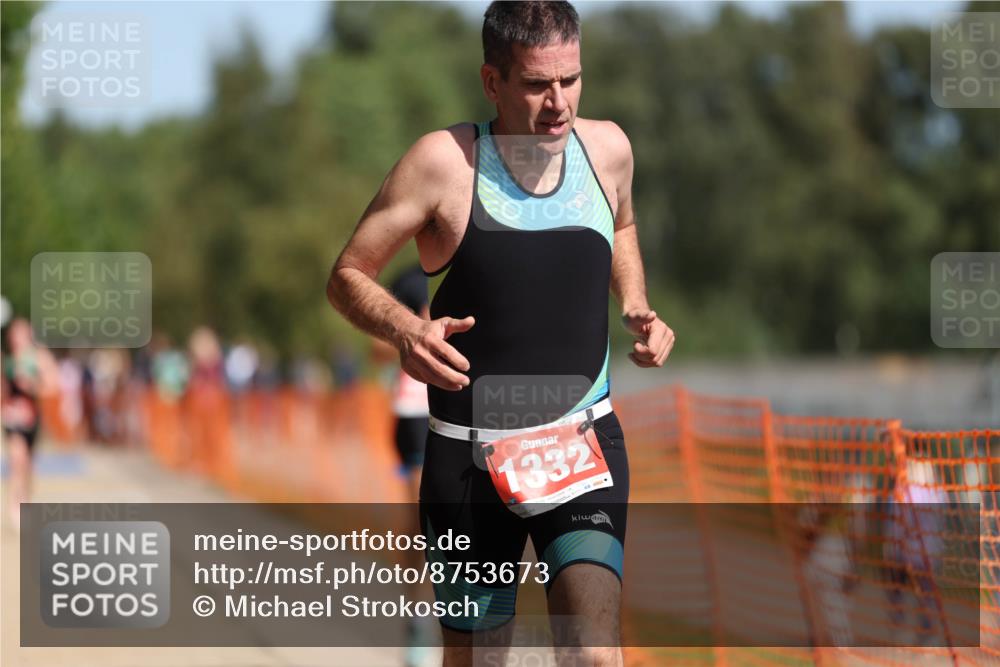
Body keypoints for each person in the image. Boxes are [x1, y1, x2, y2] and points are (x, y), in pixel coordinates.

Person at [326, 3, 675, 665]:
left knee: (595, 654)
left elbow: (622, 224)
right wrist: (406, 330)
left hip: (580, 448)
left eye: (571, 80)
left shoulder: (608, 150)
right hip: (469, 465)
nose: (559, 103)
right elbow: (347, 274)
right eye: (537, 84)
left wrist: (635, 300)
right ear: (492, 82)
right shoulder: (444, 164)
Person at [1, 318, 58, 532]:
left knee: (27, 466)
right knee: (18, 460)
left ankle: (25, 501)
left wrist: (32, 385)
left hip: (32, 419)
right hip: (12, 419)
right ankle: (15, 505)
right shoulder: (6, 359)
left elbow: (52, 386)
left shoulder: (39, 358)